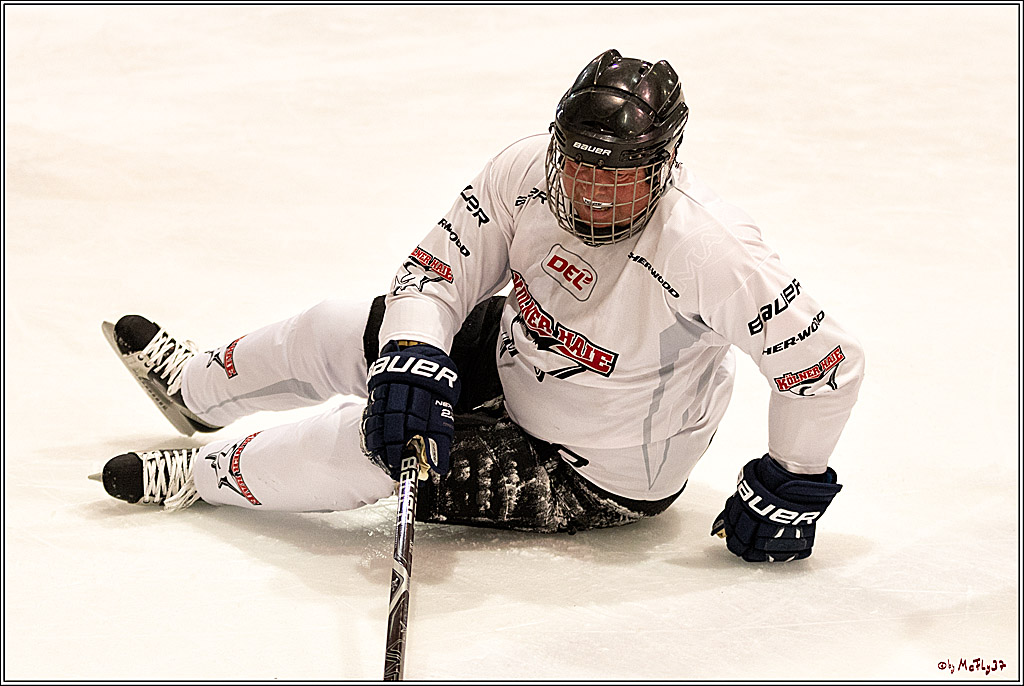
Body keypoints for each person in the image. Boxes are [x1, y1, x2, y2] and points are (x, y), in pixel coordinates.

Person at [95, 49, 864, 562]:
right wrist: (414, 355)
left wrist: (789, 484)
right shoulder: (524, 170)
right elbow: (435, 273)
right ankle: (197, 390)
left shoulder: (709, 250)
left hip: (590, 467)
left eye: (621, 174)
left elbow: (824, 369)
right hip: (514, 350)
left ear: (665, 163)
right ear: (558, 147)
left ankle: (200, 473)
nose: (594, 193)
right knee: (338, 324)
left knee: (372, 447)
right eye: (580, 167)